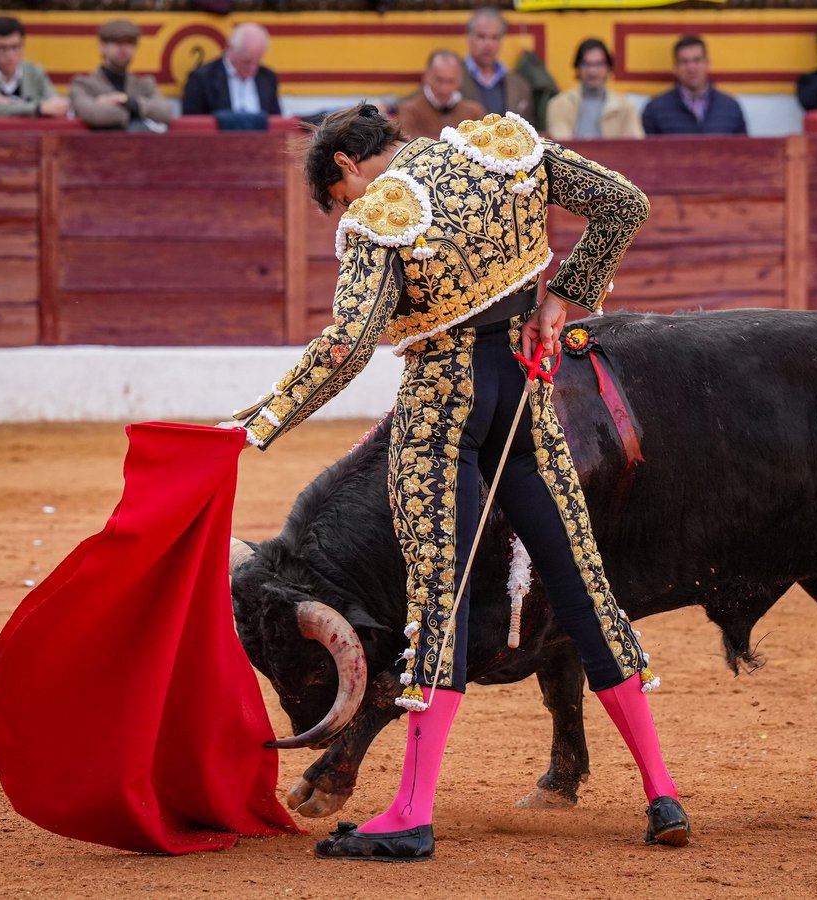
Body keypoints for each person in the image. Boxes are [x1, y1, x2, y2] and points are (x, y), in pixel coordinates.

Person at [227, 104, 689, 861]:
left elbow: (348, 347)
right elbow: (623, 204)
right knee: (584, 589)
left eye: (339, 199)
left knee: (435, 601)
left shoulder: (381, 214)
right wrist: (561, 296)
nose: (347, 210)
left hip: (445, 406)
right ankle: (662, 793)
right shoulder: (495, 147)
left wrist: (258, 422)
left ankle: (411, 813)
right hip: (525, 393)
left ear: (345, 165)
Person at [69, 18, 172, 131]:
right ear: (102, 47)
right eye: (118, 43)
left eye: (130, 43)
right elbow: (93, 114)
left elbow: (166, 112)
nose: (124, 48)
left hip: (139, 147)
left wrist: (124, 100)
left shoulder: (145, 83)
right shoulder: (82, 84)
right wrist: (137, 112)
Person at [641, 35, 746, 135]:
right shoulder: (655, 110)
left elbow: (745, 152)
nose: (691, 68)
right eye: (684, 62)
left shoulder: (731, 108)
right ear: (675, 68)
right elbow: (643, 152)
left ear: (707, 64)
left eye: (697, 60)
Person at [0, 16, 69, 118]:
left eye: (15, 47)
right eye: (2, 48)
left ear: (23, 47)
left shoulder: (35, 71)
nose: (10, 54)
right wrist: (38, 108)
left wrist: (5, 101)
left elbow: (57, 106)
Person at [546, 37, 643, 140]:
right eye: (586, 64)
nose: (593, 72)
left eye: (599, 64)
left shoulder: (626, 106)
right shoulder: (559, 104)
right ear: (577, 68)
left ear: (608, 68)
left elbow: (636, 144)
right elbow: (561, 146)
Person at [181, 23, 280, 117]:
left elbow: (276, 122)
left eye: (257, 61)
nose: (252, 68)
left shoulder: (267, 78)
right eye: (246, 62)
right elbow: (193, 125)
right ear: (229, 47)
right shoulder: (202, 79)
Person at [459, 7, 533, 124]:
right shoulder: (448, 78)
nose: (488, 44)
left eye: (494, 37)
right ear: (469, 37)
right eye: (481, 36)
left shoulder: (520, 86)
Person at [395, 49, 484, 140]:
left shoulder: (474, 113)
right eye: (439, 80)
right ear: (426, 76)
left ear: (460, 81)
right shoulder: (409, 112)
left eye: (451, 81)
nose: (444, 89)